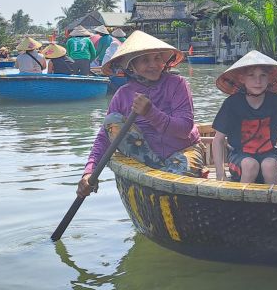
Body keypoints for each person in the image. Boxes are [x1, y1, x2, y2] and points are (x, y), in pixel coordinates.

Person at [77, 31, 204, 198]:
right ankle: (158, 172)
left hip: (183, 150)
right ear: (132, 66)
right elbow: (104, 137)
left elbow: (184, 128)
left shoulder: (177, 84)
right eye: (145, 60)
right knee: (112, 121)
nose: (153, 64)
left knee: (173, 182)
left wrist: (150, 113)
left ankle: (165, 175)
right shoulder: (123, 94)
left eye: (157, 58)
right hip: (146, 157)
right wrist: (89, 172)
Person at [212, 51, 277, 185]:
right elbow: (218, 140)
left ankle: (274, 204)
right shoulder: (232, 103)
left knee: (269, 166)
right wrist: (220, 173)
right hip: (239, 156)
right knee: (250, 165)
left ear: (269, 78)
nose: (257, 81)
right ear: (242, 78)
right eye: (251, 75)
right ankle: (243, 204)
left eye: (262, 75)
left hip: (269, 154)